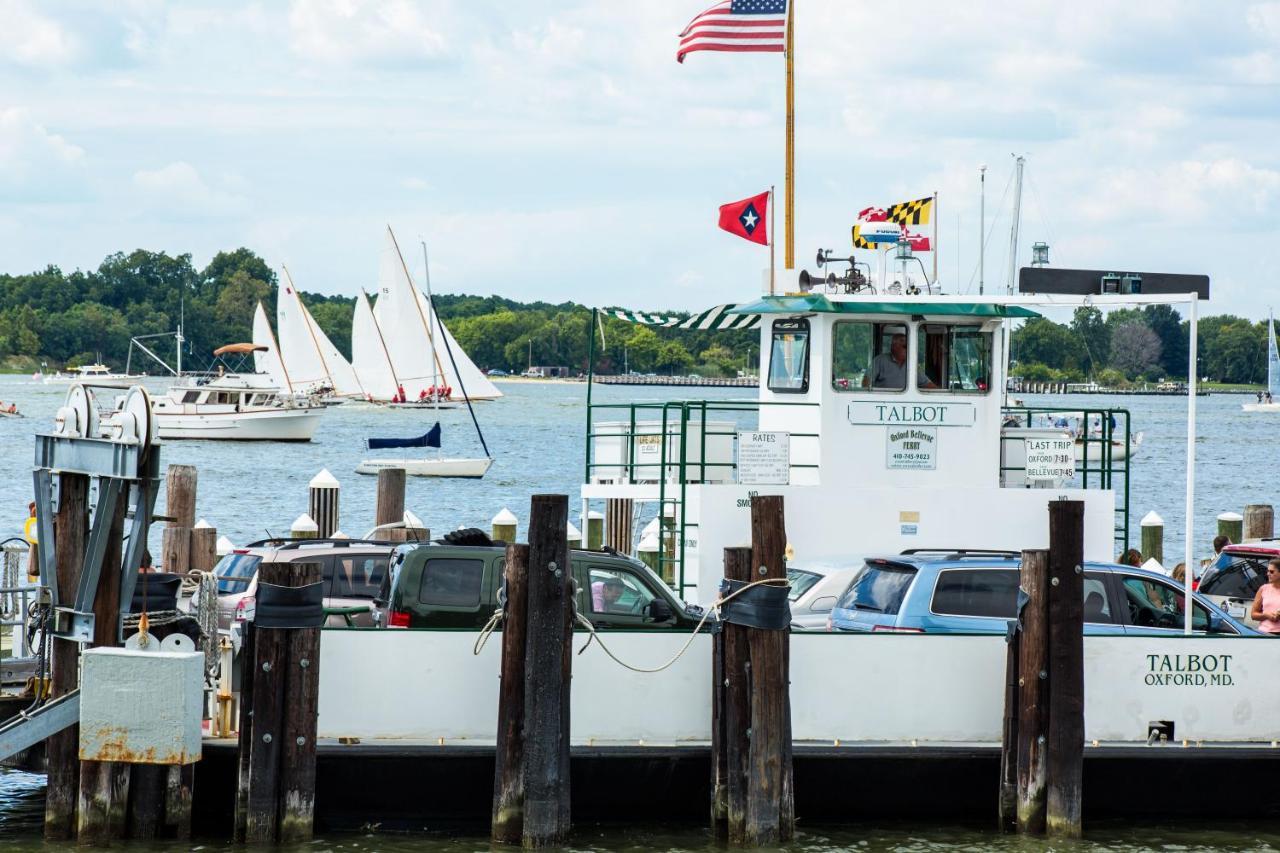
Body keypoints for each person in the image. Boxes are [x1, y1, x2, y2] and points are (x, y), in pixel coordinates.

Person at [1249, 559, 1280, 635]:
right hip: (1265, 633)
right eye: (1268, 571)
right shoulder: (1263, 588)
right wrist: (1266, 615)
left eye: (1272, 571)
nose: (1268, 574)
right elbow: (1253, 615)